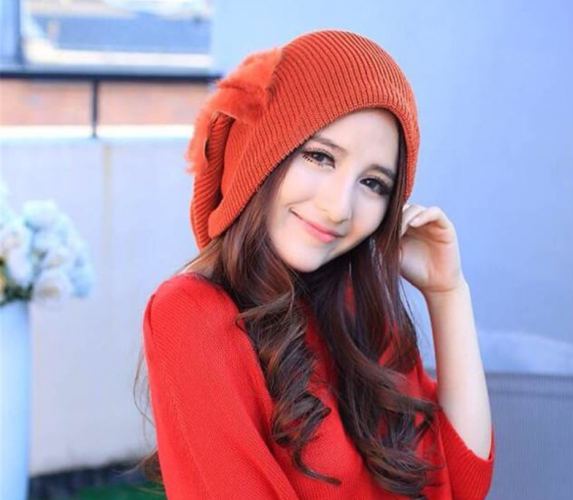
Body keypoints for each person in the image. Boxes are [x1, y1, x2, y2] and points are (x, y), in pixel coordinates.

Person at [135, 29, 496, 499]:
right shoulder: (191, 312)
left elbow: (462, 484)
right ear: (262, 151)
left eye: (373, 183)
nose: (338, 207)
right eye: (320, 156)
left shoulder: (356, 310)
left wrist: (448, 293)